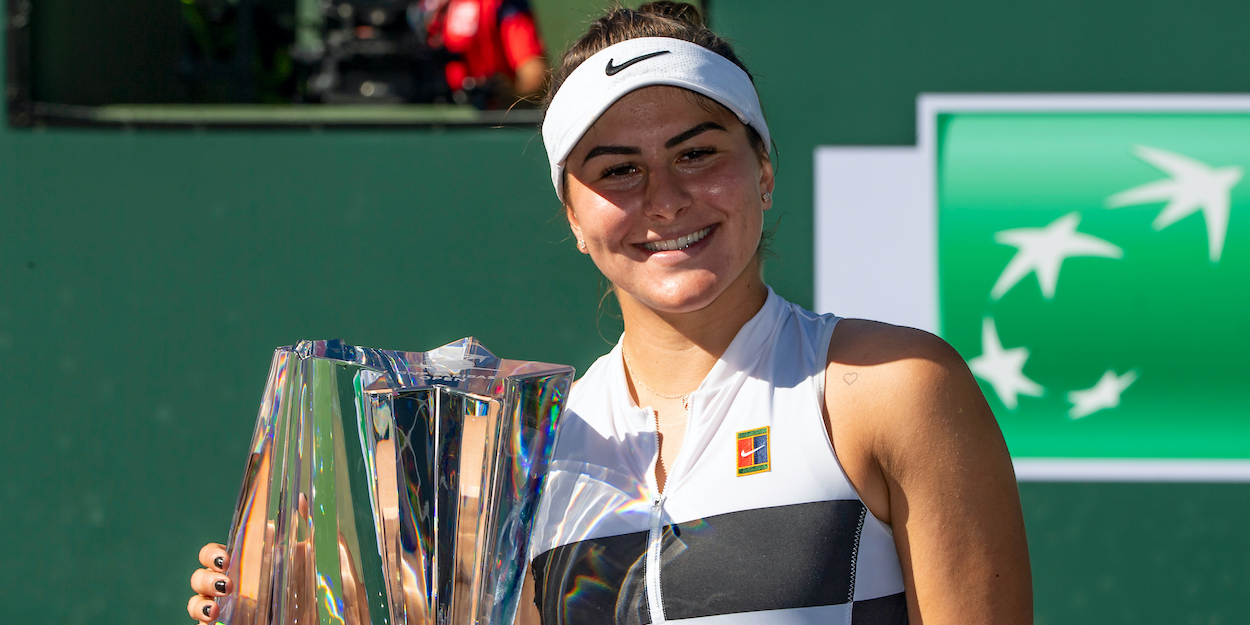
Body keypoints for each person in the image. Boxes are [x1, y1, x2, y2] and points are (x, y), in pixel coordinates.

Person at [189, 3, 1032, 623]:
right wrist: (281, 598)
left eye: (698, 152)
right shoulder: (527, 453)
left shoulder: (891, 388)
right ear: (572, 215)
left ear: (763, 171)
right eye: (617, 169)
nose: (665, 198)